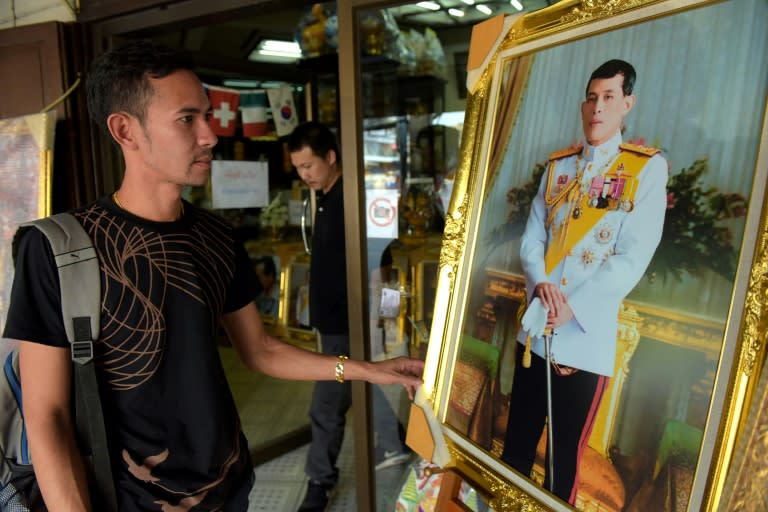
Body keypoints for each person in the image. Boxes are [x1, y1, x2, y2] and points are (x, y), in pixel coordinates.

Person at [2, 40, 423, 512]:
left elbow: (260, 350)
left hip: (228, 489)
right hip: (126, 500)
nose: (210, 135)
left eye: (207, 116)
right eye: (187, 119)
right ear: (125, 130)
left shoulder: (216, 237)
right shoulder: (58, 250)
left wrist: (366, 370)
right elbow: (47, 416)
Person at [500, 59, 668, 505]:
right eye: (592, 97)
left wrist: (570, 306)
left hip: (583, 339)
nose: (598, 107)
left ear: (627, 104)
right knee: (515, 449)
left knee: (561, 466)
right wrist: (540, 286)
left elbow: (634, 257)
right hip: (536, 331)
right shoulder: (558, 167)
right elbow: (532, 238)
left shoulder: (645, 170)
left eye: (609, 97)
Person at [288, 121, 412, 512]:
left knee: (326, 405)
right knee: (366, 382)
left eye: (309, 166)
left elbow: (386, 265)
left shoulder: (360, 199)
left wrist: (387, 318)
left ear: (330, 157)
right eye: (298, 168)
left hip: (352, 322)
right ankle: (395, 443)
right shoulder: (323, 196)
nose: (303, 175)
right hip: (332, 320)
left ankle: (319, 482)